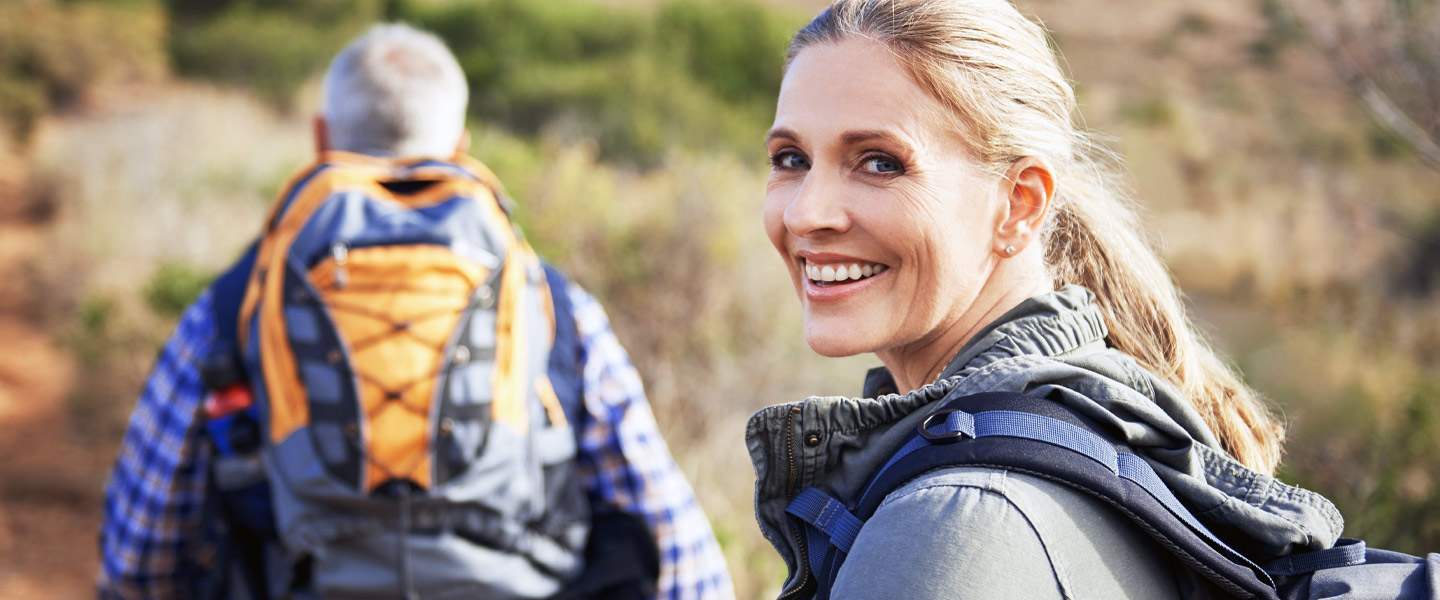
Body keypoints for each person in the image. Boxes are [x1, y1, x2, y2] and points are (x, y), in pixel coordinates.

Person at [98, 24, 733, 600]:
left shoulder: (236, 300)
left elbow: (141, 554)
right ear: (459, 143)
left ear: (322, 137)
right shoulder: (553, 302)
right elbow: (680, 554)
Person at [749, 0, 1346, 597]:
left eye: (880, 163)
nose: (807, 213)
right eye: (791, 159)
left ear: (1020, 204)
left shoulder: (950, 530)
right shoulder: (1091, 416)